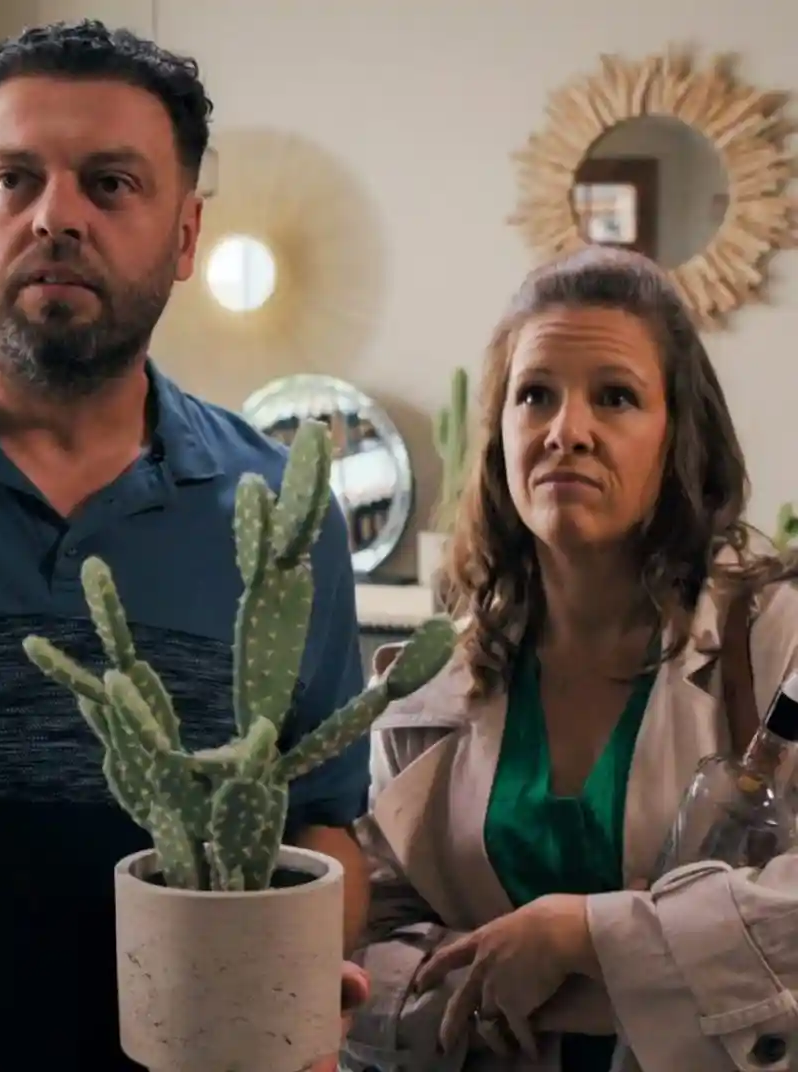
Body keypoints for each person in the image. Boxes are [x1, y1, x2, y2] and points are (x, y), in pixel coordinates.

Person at [0, 21, 370, 1072]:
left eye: (110, 184)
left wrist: (303, 972)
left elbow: (322, 826)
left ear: (185, 235)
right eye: (15, 179)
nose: (55, 215)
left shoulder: (281, 514)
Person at [341, 246, 798, 1072]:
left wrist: (583, 938)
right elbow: (369, 937)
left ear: (679, 435)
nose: (566, 431)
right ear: (500, 433)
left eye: (615, 397)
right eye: (535, 396)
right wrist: (521, 996)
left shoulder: (774, 646)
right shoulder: (428, 685)